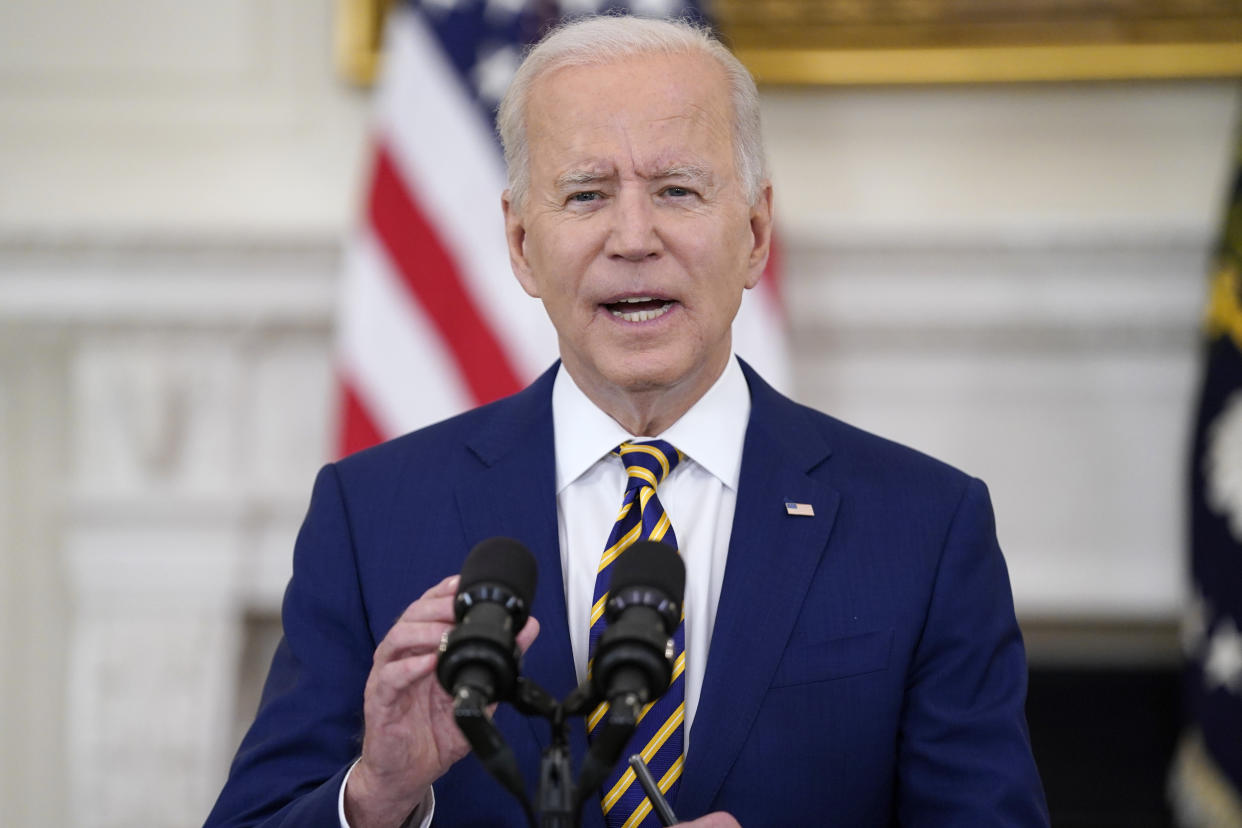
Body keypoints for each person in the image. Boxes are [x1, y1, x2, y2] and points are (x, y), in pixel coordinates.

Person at [206, 14, 1048, 828]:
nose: (633, 236)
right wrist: (377, 795)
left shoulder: (923, 528)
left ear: (755, 233)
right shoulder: (372, 516)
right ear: (520, 243)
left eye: (677, 190)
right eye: (586, 194)